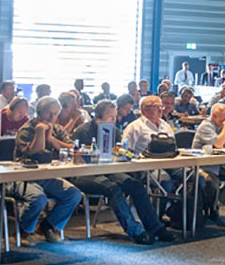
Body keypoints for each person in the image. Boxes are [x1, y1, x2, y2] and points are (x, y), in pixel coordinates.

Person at [70, 100, 168, 242]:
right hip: (84, 173)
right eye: (111, 117)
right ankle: (136, 231)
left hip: (108, 169)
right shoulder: (83, 131)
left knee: (136, 185)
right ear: (98, 117)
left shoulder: (114, 131)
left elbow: (115, 152)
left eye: (115, 116)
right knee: (113, 188)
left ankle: (156, 227)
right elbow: (78, 155)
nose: (114, 120)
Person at [10, 98, 82, 245]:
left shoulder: (57, 129)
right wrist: (41, 132)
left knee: (74, 194)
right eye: (48, 113)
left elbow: (71, 148)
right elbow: (35, 152)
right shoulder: (26, 129)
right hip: (22, 176)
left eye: (55, 114)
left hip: (48, 176)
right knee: (38, 198)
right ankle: (23, 231)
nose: (52, 117)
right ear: (39, 113)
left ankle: (48, 226)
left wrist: (52, 139)